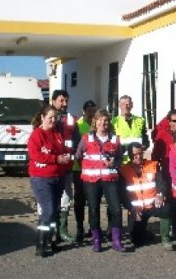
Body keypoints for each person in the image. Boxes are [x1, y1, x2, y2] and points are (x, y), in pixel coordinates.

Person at [75, 109, 125, 252]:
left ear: (109, 123)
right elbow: (78, 156)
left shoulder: (115, 139)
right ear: (95, 122)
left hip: (110, 179)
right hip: (92, 180)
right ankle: (96, 240)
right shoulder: (86, 139)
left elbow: (120, 158)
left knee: (116, 209)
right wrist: (88, 168)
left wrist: (114, 163)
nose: (103, 123)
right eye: (100, 120)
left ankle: (116, 240)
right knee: (94, 209)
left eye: (105, 120)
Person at [28, 105, 70, 257]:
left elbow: (62, 151)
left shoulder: (57, 134)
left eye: (55, 117)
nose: (53, 120)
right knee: (48, 210)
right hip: (41, 178)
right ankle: (40, 245)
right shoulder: (37, 135)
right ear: (42, 118)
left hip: (58, 177)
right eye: (50, 117)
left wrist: (66, 156)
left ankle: (50, 241)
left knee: (54, 211)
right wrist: (56, 158)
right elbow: (36, 156)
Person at [121, 142, 173, 250]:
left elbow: (161, 183)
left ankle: (166, 239)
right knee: (137, 241)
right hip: (136, 209)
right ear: (130, 155)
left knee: (166, 208)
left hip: (153, 203)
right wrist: (131, 209)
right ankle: (145, 233)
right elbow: (122, 195)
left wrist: (160, 194)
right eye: (135, 154)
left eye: (140, 153)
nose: (138, 156)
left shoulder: (153, 165)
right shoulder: (124, 170)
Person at [51, 89, 80, 243]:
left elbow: (77, 142)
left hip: (67, 167)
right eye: (61, 100)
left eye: (66, 101)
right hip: (51, 167)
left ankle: (62, 230)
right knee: (50, 200)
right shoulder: (47, 118)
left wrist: (75, 155)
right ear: (53, 101)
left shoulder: (71, 119)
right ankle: (51, 232)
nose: (64, 104)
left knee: (66, 198)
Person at [151, 109, 176, 236]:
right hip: (167, 173)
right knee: (169, 201)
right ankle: (170, 229)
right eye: (175, 121)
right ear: (169, 122)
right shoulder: (162, 136)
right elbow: (155, 158)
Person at [72, 100, 97, 243]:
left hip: (94, 170)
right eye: (89, 111)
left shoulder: (97, 126)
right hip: (79, 169)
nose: (92, 114)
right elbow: (76, 148)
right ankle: (80, 228)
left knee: (93, 200)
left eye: (94, 111)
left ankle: (92, 229)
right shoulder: (78, 126)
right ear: (84, 111)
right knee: (80, 200)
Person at [112, 95, 149, 161]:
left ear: (132, 105)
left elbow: (145, 137)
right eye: (123, 104)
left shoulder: (140, 120)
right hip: (122, 160)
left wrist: (145, 145)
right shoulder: (113, 122)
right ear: (119, 106)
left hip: (137, 160)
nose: (126, 106)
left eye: (128, 104)